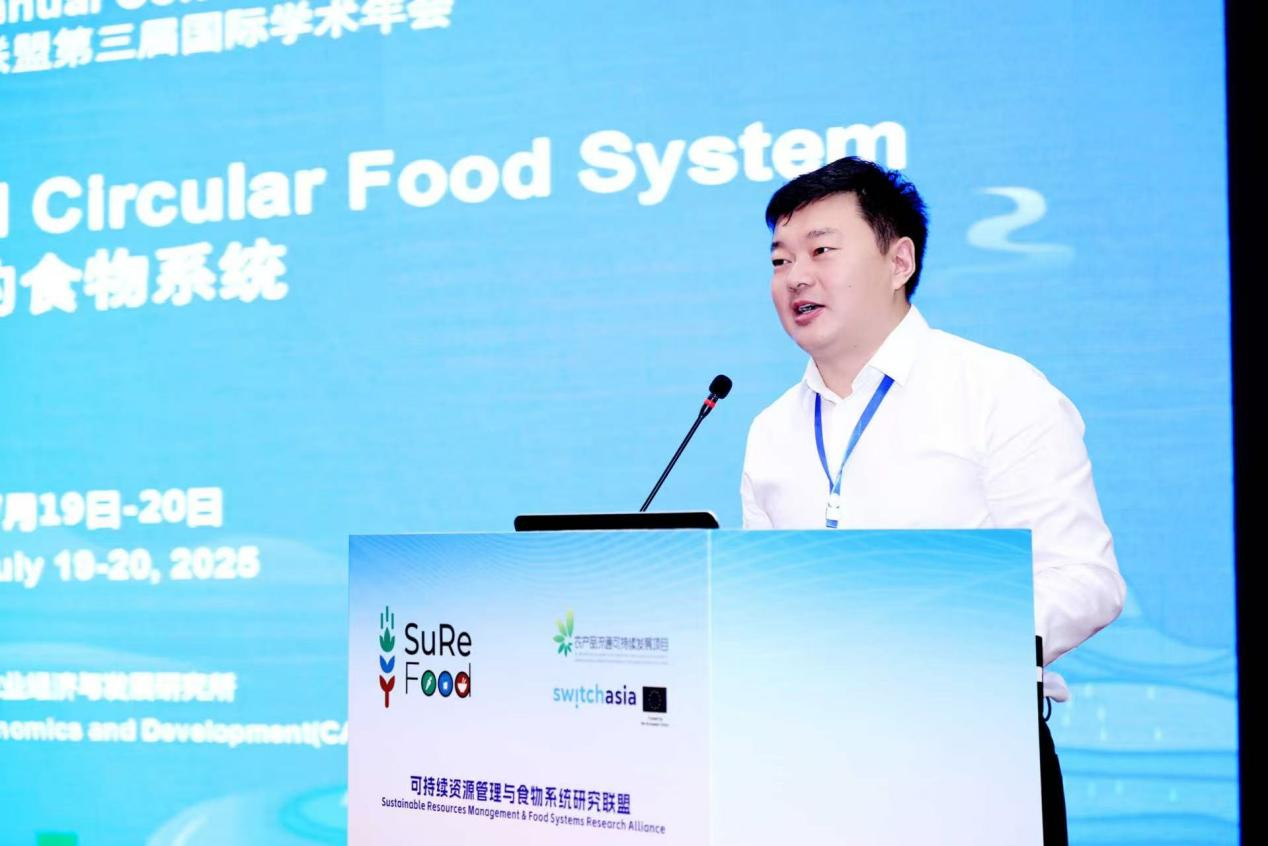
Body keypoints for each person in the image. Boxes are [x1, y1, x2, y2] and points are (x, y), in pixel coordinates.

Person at [740, 156, 1126, 845]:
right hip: (813, 762)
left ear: (899, 261)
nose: (795, 277)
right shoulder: (770, 430)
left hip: (973, 756)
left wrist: (937, 638)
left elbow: (1085, 580)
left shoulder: (999, 392)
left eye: (821, 251)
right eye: (780, 260)